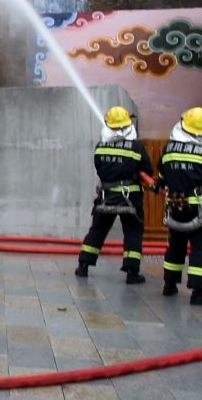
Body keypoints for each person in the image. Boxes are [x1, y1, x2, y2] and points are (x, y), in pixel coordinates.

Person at [75, 106, 153, 284]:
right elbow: (147, 170)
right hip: (130, 199)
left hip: (106, 197)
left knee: (98, 230)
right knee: (133, 232)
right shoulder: (136, 147)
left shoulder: (100, 146)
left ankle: (83, 265)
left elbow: (99, 167)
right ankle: (132, 272)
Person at [158, 107, 202, 305]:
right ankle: (199, 291)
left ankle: (169, 284)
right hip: (201, 209)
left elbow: (162, 178)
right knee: (201, 247)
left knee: (176, 245)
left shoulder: (168, 149)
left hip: (176, 208)